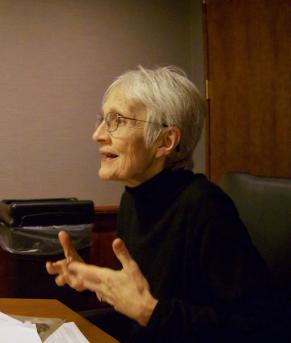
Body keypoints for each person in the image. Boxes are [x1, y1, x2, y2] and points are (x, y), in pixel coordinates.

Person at [1, 66, 289, 342]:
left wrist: (150, 311)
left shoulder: (206, 206)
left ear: (165, 141)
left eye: (117, 121)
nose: (98, 134)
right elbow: (139, 304)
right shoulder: (134, 197)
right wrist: (99, 282)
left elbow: (261, 328)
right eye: (102, 119)